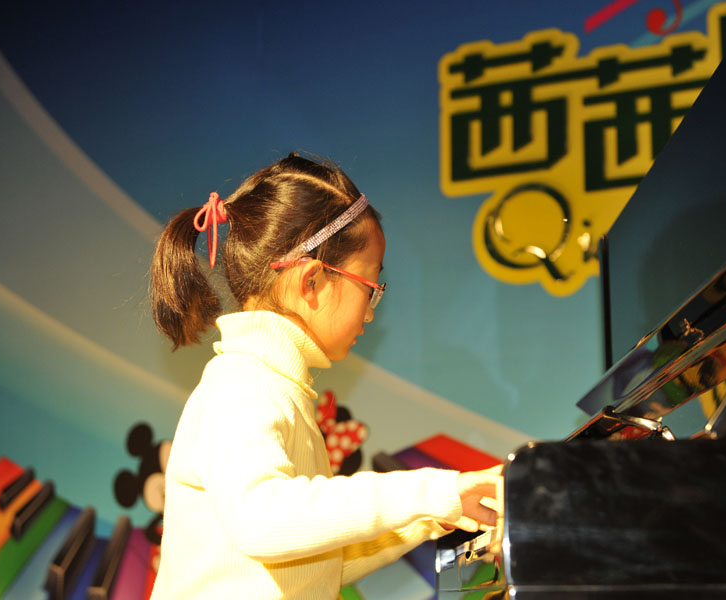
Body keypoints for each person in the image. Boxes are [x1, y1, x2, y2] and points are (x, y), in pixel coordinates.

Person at [148, 153, 503, 599]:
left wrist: (437, 513)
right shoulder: (242, 384)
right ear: (311, 281)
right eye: (370, 289)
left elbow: (315, 565)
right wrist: (431, 491)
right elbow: (263, 521)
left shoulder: (274, 385)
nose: (370, 313)